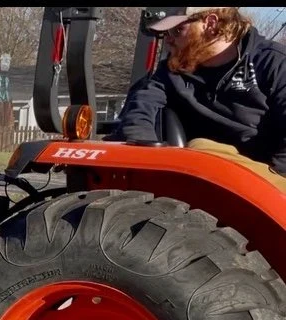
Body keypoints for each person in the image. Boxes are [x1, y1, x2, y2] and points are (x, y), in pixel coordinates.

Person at [117, 7, 286, 189]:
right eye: (165, 33)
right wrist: (146, 161)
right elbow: (138, 114)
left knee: (201, 147)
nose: (168, 40)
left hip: (267, 180)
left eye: (177, 30)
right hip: (202, 176)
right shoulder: (173, 69)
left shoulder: (274, 63)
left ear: (211, 24)